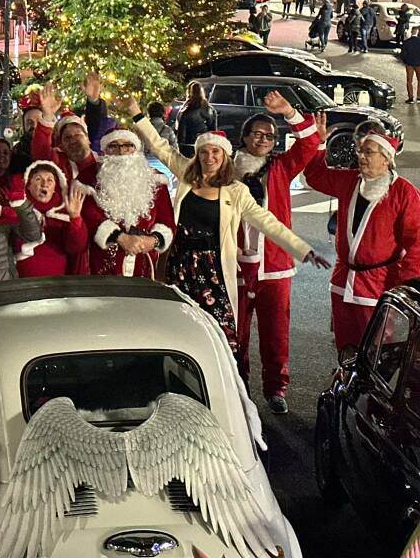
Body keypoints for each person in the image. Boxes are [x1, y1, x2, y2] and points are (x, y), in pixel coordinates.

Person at [126, 99, 328, 356]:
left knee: (221, 336)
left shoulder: (236, 190)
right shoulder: (187, 173)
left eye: (216, 153)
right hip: (180, 265)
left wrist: (303, 250)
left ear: (224, 156)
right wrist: (135, 113)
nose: (209, 158)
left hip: (215, 270)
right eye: (204, 152)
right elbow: (159, 146)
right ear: (197, 155)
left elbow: (269, 223)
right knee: (181, 329)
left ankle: (233, 389)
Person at [232, 92, 319, 414]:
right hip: (237, 263)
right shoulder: (226, 168)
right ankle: (238, 388)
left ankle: (276, 388)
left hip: (275, 265)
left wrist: (289, 113)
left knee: (275, 333)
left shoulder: (281, 168)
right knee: (235, 332)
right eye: (257, 133)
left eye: (270, 135)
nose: (264, 139)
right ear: (244, 137)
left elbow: (309, 145)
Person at [305, 116, 420, 350]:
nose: (361, 156)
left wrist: (404, 286)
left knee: (375, 352)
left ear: (386, 159)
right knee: (345, 348)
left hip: (378, 286)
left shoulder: (404, 193)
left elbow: (417, 242)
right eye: (360, 151)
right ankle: (347, 384)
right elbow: (315, 176)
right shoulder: (350, 181)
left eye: (368, 152)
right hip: (342, 281)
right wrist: (318, 144)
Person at [82, 128, 175, 279]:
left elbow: (167, 220)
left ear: (136, 149)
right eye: (114, 146)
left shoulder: (156, 180)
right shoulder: (89, 178)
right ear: (105, 150)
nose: (121, 151)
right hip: (102, 263)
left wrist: (153, 240)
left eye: (127, 146)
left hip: (144, 261)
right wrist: (119, 237)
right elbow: (87, 213)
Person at [17, 161, 87, 277]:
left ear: (55, 186)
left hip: (57, 286)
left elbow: (76, 247)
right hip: (22, 284)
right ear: (28, 185)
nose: (45, 184)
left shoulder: (64, 214)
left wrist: (75, 218)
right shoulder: (17, 211)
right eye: (38, 179)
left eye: (50, 180)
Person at [32, 83, 100, 186]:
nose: (73, 140)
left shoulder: (103, 162)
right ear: (61, 145)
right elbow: (41, 151)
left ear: (88, 139)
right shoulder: (59, 163)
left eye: (78, 134)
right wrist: (47, 115)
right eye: (67, 137)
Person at [176, 81, 218, 157]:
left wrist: (181, 148)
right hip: (205, 145)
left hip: (189, 146)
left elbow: (181, 133)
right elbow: (213, 131)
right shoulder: (210, 109)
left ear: (189, 93)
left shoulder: (186, 111)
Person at [403, 27, 420, 103]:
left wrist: (406, 61)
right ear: (417, 32)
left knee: (409, 81)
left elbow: (402, 54)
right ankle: (419, 97)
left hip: (409, 63)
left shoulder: (406, 42)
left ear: (411, 32)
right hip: (419, 64)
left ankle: (410, 98)